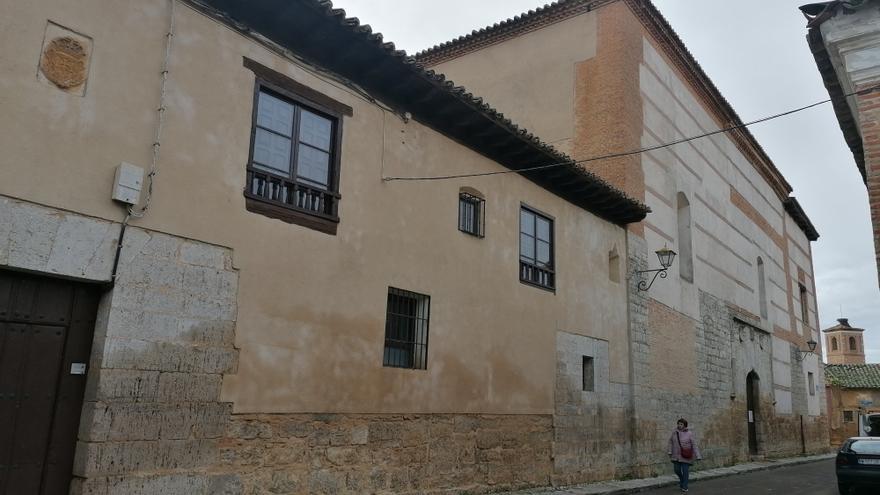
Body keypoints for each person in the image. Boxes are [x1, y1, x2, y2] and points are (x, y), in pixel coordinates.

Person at [667, 418, 702, 493]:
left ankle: (685, 486)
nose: (679, 425)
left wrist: (698, 455)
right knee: (677, 470)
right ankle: (682, 480)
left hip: (686, 455)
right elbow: (670, 442)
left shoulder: (689, 433)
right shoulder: (674, 432)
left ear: (684, 425)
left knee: (685, 471)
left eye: (681, 424)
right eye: (678, 424)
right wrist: (670, 451)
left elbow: (694, 444)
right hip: (676, 455)